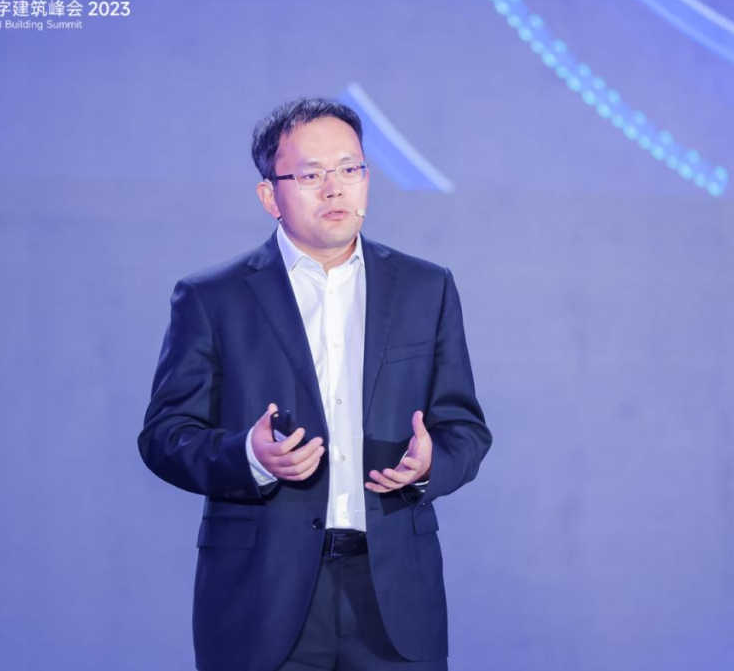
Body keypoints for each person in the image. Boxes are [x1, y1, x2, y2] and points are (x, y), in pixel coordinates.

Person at [139, 98, 492, 670]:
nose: (335, 189)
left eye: (350, 168)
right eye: (310, 175)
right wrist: (249, 456)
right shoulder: (212, 298)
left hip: (394, 595)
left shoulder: (426, 288)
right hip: (262, 597)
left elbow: (464, 428)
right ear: (269, 196)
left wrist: (432, 464)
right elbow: (164, 436)